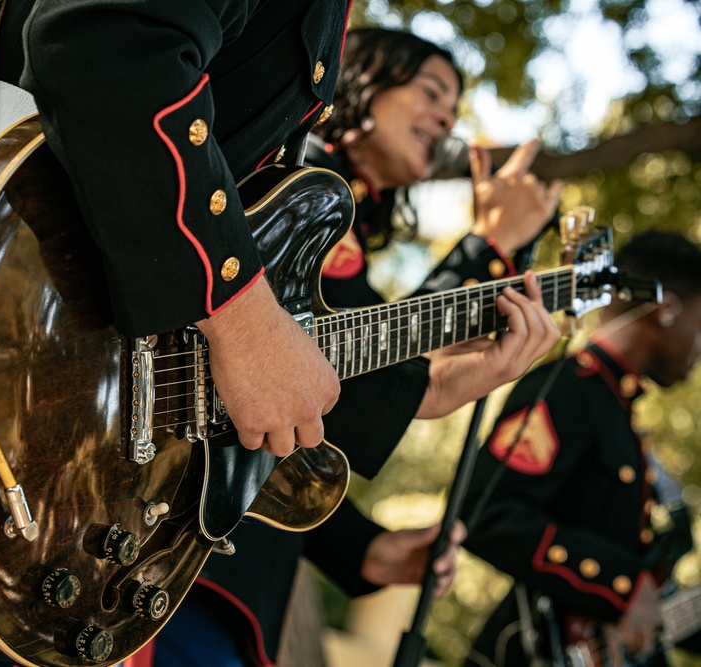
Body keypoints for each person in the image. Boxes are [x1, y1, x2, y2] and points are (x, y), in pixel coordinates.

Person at [0, 4, 557, 666]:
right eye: (431, 93)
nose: (447, 117)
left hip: (40, 441)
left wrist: (425, 387)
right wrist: (239, 307)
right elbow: (106, 36)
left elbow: (252, 335)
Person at [151, 27, 563, 667]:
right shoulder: (301, 181)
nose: (444, 119)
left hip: (212, 566)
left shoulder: (350, 217)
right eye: (430, 92)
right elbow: (330, 348)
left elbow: (268, 427)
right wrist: (487, 247)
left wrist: (363, 551)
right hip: (174, 567)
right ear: (364, 81)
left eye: (453, 112)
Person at [460, 230, 701, 667]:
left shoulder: (619, 409)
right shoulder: (570, 389)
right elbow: (484, 511)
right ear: (667, 310)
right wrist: (623, 585)